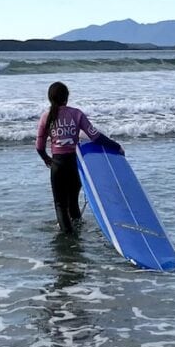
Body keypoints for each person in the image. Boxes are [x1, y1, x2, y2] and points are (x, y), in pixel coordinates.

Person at [36, 81, 123, 235]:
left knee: (60, 205)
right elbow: (95, 136)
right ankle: (78, 229)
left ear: (50, 98)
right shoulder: (76, 114)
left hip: (58, 165)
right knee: (73, 200)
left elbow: (39, 147)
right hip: (75, 164)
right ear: (66, 97)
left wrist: (47, 159)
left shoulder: (46, 117)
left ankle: (69, 238)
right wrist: (116, 146)